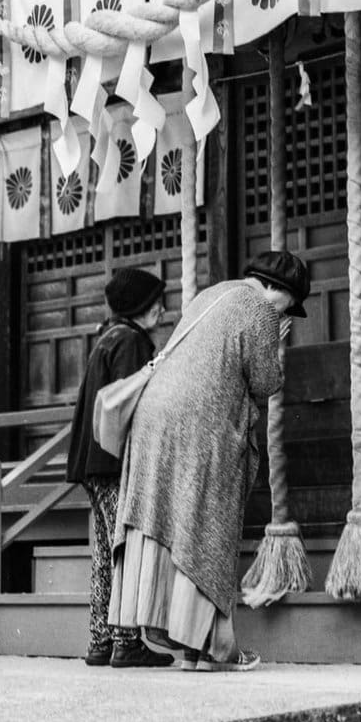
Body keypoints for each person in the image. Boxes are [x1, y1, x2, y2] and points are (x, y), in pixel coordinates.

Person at [108, 249, 310, 672]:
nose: (288, 311)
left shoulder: (212, 293)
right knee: (206, 522)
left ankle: (178, 637)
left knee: (169, 518)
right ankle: (215, 647)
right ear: (282, 293)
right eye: (291, 304)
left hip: (153, 417)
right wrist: (276, 343)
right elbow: (264, 380)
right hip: (199, 424)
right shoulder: (260, 310)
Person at [64, 266, 172, 668]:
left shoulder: (107, 338)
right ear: (141, 305)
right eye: (156, 301)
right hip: (114, 461)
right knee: (122, 547)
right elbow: (132, 406)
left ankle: (101, 640)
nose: (162, 308)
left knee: (105, 552)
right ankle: (126, 640)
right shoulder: (130, 341)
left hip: (93, 462)